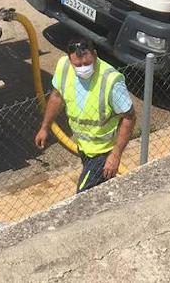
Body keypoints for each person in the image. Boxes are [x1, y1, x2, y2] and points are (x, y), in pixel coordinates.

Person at [35, 38, 136, 193]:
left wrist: (115, 156)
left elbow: (129, 117)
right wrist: (45, 128)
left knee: (82, 194)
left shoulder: (110, 80)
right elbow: (57, 97)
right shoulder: (64, 66)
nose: (83, 68)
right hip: (83, 148)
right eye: (78, 65)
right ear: (70, 60)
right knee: (100, 191)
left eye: (87, 63)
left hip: (103, 152)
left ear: (95, 55)